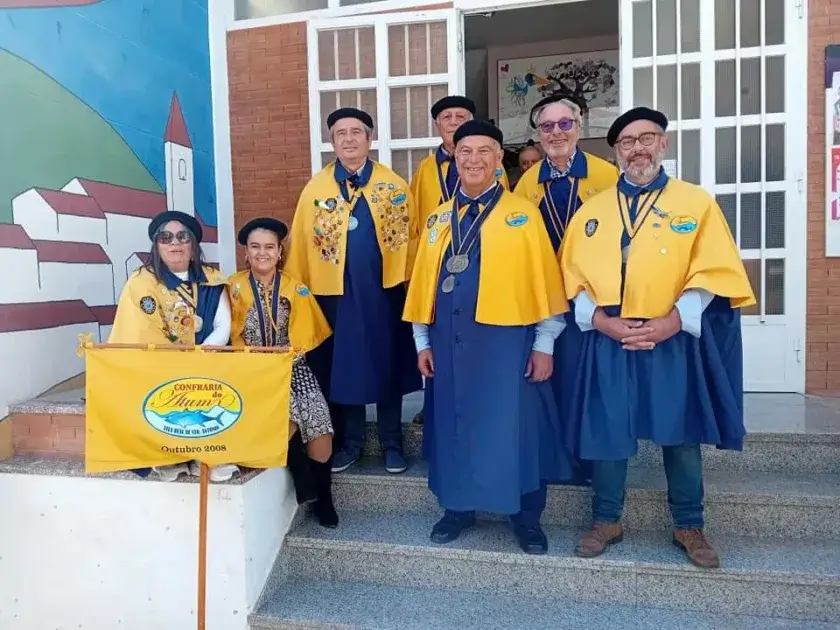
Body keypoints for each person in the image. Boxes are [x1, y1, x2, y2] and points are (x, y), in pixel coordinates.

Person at [559, 106, 756, 568]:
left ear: (663, 144)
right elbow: (571, 279)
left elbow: (714, 272)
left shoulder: (695, 203)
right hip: (610, 334)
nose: (637, 148)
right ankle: (607, 519)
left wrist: (672, 320)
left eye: (646, 138)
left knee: (679, 431)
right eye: (627, 142)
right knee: (607, 430)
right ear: (616, 152)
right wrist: (602, 321)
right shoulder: (593, 211)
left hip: (671, 335)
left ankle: (689, 524)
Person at [403, 119, 572, 555]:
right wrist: (422, 341)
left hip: (506, 347)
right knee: (453, 425)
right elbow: (423, 286)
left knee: (515, 428)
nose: (474, 159)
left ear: (499, 159)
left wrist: (544, 343)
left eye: (484, 151)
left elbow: (545, 286)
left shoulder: (521, 215)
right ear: (454, 158)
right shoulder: (439, 219)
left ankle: (526, 516)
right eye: (465, 152)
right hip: (447, 344)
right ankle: (458, 507)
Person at [285, 107, 422, 476]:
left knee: (388, 364)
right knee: (344, 367)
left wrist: (413, 289)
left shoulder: (393, 186)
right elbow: (299, 242)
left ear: (369, 139)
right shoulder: (316, 189)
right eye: (340, 133)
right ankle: (352, 442)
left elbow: (410, 241)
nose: (348, 138)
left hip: (385, 293)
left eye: (356, 132)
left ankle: (393, 443)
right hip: (335, 297)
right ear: (332, 142)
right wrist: (297, 296)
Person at [514, 92, 619, 486]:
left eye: (564, 124)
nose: (556, 133)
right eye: (547, 126)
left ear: (579, 127)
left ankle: (592, 460)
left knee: (590, 382)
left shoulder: (608, 177)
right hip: (546, 300)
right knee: (551, 379)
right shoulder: (526, 183)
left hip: (595, 299)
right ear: (538, 135)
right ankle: (556, 460)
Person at [109, 210, 238, 483]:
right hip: (158, 367)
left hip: (206, 362)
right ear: (157, 245)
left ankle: (207, 456)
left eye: (182, 237)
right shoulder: (142, 283)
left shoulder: (212, 279)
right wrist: (178, 362)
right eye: (166, 237)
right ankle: (167, 457)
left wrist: (199, 356)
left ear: (193, 245)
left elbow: (222, 325)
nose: (174, 243)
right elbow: (140, 331)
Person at [228, 217, 338, 528]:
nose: (262, 253)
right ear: (246, 253)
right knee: (285, 419)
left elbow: (306, 337)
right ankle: (305, 483)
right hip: (250, 373)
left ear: (280, 251)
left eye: (269, 247)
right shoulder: (232, 288)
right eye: (255, 247)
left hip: (292, 368)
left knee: (319, 424)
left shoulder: (296, 288)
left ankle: (324, 498)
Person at [408, 95, 509, 428]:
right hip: (439, 259)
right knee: (435, 342)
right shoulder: (424, 169)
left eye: (460, 116)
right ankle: (433, 405)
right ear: (438, 125)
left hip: (481, 261)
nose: (453, 121)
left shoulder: (488, 163)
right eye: (446, 117)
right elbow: (417, 220)